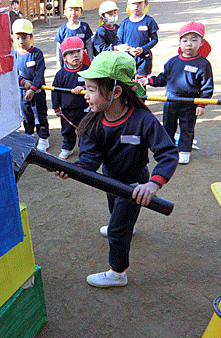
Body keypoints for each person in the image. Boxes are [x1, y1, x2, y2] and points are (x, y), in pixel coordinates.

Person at [54, 51, 178, 287]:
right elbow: (90, 159)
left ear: (116, 92)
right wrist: (74, 168)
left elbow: (168, 154)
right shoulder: (92, 121)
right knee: (115, 214)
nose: (85, 95)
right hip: (110, 181)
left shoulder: (143, 120)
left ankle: (117, 273)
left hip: (134, 186)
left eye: (91, 89)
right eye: (86, 88)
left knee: (116, 232)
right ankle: (122, 224)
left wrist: (152, 184)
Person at [137, 22, 213, 165]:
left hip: (190, 102)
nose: (189, 44)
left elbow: (207, 87)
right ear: (179, 42)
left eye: (194, 40)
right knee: (168, 125)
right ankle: (167, 149)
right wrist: (148, 80)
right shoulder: (173, 61)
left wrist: (202, 104)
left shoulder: (203, 64)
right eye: (185, 40)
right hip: (171, 99)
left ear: (202, 42)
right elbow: (163, 78)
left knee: (187, 127)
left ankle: (184, 151)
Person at [13, 18, 50, 152]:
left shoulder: (37, 53)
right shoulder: (14, 55)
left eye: (24, 38)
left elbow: (40, 73)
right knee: (27, 116)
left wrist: (33, 88)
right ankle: (29, 137)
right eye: (17, 38)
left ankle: (44, 139)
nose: (21, 42)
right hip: (22, 92)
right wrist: (23, 82)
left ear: (31, 37)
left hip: (37, 92)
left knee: (40, 115)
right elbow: (13, 73)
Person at [51, 37, 89, 160]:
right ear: (64, 57)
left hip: (85, 109)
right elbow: (55, 91)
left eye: (78, 51)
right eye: (71, 53)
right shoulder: (61, 74)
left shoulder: (87, 70)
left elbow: (94, 84)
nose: (75, 55)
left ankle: (84, 150)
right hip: (67, 110)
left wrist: (83, 87)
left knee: (84, 131)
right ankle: (67, 148)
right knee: (67, 130)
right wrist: (56, 107)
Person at [116, 0, 158, 78]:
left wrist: (143, 49)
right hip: (127, 58)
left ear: (146, 4)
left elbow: (154, 39)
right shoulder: (124, 23)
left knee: (141, 84)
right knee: (128, 84)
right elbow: (118, 42)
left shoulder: (149, 21)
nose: (136, 6)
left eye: (139, 3)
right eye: (133, 3)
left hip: (143, 58)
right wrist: (128, 49)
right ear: (128, 5)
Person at [54, 0, 93, 70]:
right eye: (70, 10)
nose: (73, 13)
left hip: (82, 66)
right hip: (67, 67)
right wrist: (59, 69)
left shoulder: (85, 27)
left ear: (81, 12)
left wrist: (91, 65)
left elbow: (89, 47)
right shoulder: (62, 30)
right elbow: (59, 51)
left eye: (76, 10)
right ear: (65, 12)